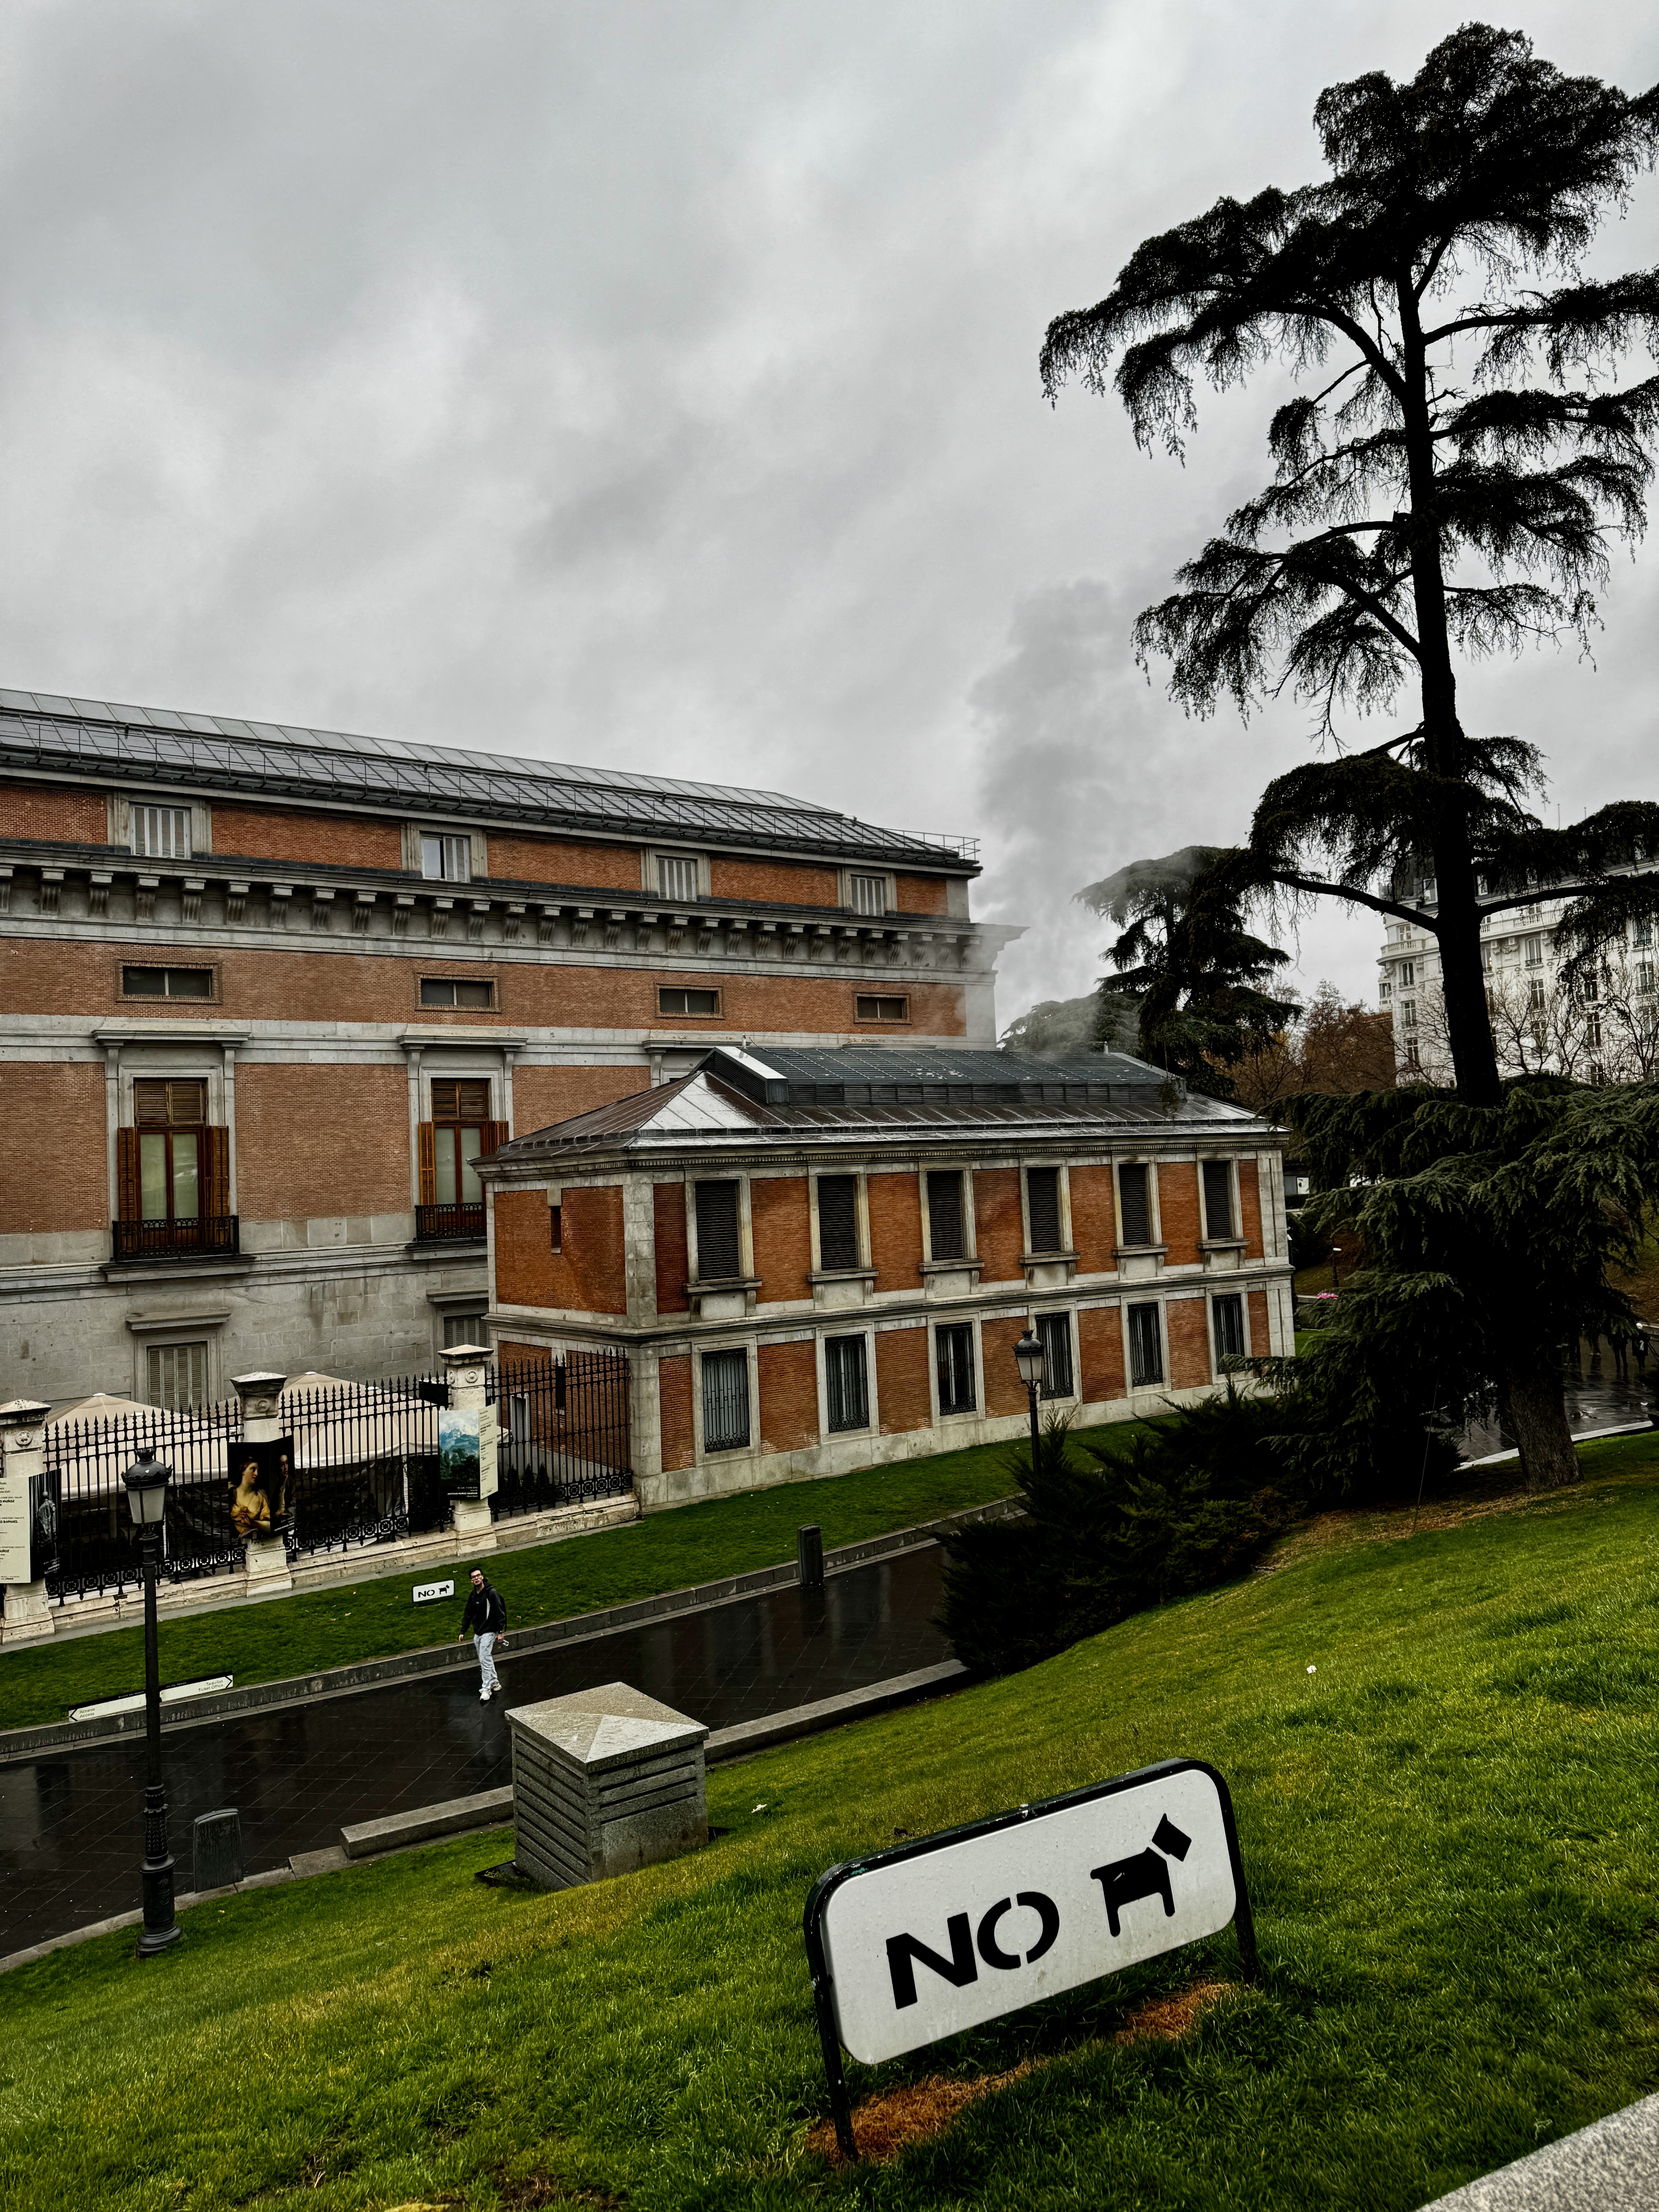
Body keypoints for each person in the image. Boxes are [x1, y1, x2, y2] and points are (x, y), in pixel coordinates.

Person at [458, 1567, 508, 1702]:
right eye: (474, 1577)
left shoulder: (491, 1593)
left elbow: (499, 1613)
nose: (477, 1578)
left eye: (478, 1576)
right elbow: (468, 1613)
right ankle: (495, 1683)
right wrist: (463, 1631)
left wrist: (500, 1632)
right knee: (484, 1659)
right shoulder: (473, 1595)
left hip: (490, 1631)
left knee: (485, 1658)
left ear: (482, 1577)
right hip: (478, 1632)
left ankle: (486, 1689)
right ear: (471, 1580)